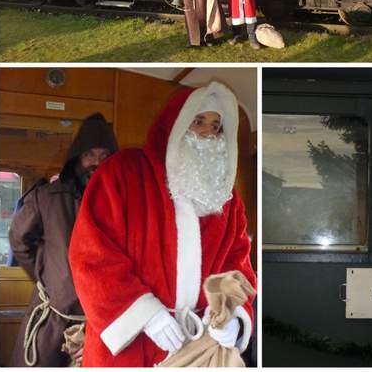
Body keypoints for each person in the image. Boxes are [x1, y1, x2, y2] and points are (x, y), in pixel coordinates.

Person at [68, 82, 256, 366]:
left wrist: (233, 315)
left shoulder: (225, 198)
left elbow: (237, 264)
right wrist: (144, 314)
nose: (207, 132)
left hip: (199, 348)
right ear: (176, 125)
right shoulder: (121, 172)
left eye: (216, 126)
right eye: (198, 121)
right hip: (132, 348)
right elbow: (91, 255)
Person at [9, 113, 118, 367]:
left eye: (104, 156)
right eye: (90, 154)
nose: (97, 163)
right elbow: (19, 240)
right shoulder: (46, 198)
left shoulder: (121, 204)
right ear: (77, 157)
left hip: (101, 321)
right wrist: (48, 276)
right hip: (51, 319)